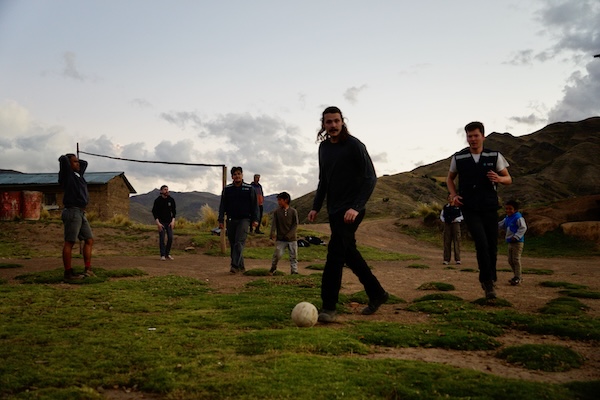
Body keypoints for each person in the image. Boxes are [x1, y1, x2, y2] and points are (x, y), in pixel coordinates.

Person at [308, 106, 389, 322]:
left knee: (334, 254)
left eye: (336, 121)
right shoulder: (324, 148)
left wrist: (356, 206)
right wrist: (316, 206)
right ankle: (377, 293)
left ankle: (328, 306)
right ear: (323, 124)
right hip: (335, 210)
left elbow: (370, 178)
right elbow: (323, 180)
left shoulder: (354, 145)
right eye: (328, 122)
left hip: (352, 211)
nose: (333, 125)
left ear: (342, 121)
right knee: (349, 253)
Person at [446, 121, 512, 299]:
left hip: (490, 206)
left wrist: (499, 178)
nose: (473, 139)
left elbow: (508, 179)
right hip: (470, 207)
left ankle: (491, 276)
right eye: (469, 136)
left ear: (483, 136)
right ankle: (487, 282)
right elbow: (450, 179)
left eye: (476, 135)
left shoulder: (494, 156)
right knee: (481, 243)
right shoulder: (458, 158)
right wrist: (453, 195)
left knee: (492, 245)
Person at [58, 153, 95, 281]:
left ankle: (88, 269)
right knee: (70, 242)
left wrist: (76, 160)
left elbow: (84, 163)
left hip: (80, 212)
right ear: (68, 164)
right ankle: (68, 273)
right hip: (72, 211)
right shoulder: (67, 176)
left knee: (89, 239)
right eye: (74, 162)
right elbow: (63, 160)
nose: (78, 163)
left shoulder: (78, 176)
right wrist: (68, 160)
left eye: (77, 161)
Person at [218, 166, 260, 274]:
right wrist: (221, 220)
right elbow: (222, 205)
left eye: (239, 174)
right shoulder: (227, 189)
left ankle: (234, 266)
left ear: (242, 175)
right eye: (235, 174)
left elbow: (255, 205)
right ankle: (241, 266)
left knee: (239, 242)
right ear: (232, 177)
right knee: (233, 243)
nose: (237, 176)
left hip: (244, 219)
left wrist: (255, 219)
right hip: (231, 219)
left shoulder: (249, 188)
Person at [269, 192, 299, 275]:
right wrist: (272, 233)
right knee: (277, 255)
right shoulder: (277, 212)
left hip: (292, 239)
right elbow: (274, 224)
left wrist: (289, 235)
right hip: (281, 239)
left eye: (280, 200)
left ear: (286, 200)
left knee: (293, 256)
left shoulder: (293, 211)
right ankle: (273, 268)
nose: (278, 202)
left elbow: (295, 224)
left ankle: (294, 271)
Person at [498, 200, 527, 286]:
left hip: (517, 242)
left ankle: (518, 277)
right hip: (510, 241)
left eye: (510, 209)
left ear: (515, 209)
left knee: (516, 259)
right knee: (510, 260)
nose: (508, 210)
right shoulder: (507, 217)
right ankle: (517, 276)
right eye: (506, 209)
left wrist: (517, 236)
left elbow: (523, 228)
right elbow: (501, 224)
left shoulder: (518, 218)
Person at [152, 185, 176, 261]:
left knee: (170, 237)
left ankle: (167, 254)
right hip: (161, 222)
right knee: (162, 238)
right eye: (165, 190)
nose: (167, 191)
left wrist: (173, 221)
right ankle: (162, 255)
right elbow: (154, 212)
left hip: (169, 222)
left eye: (167, 189)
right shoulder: (157, 200)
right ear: (161, 191)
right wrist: (158, 223)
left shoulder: (171, 200)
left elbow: (174, 212)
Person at [440, 194, 464, 265]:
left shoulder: (458, 207)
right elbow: (442, 215)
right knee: (447, 241)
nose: (450, 199)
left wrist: (456, 219)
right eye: (449, 198)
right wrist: (445, 220)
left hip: (455, 224)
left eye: (452, 198)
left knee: (457, 241)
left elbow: (462, 216)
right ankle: (446, 259)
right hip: (447, 225)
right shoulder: (445, 207)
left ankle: (457, 259)